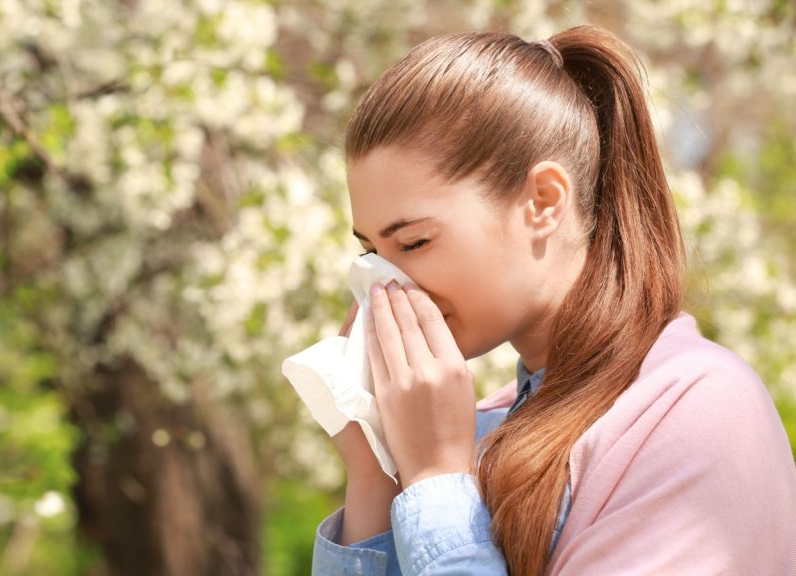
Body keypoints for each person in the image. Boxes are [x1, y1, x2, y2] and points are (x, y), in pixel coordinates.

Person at [310, 24, 796, 575]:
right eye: (371, 251)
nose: (385, 284)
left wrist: (436, 482)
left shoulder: (692, 411)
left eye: (415, 242)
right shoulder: (480, 428)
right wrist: (377, 469)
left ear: (542, 201)